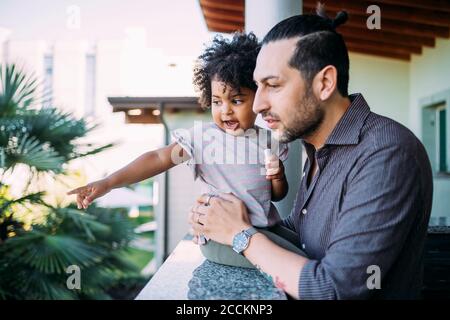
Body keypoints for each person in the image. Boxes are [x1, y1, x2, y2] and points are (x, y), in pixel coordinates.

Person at [189, 7, 433, 300]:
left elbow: (334, 289)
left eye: (273, 85)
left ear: (325, 83)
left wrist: (239, 234)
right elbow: (305, 236)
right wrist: (220, 218)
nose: (257, 105)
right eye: (257, 86)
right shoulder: (318, 149)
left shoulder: (387, 154)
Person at [67, 32, 305, 269]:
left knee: (304, 245)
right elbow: (158, 158)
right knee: (301, 263)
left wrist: (278, 177)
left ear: (258, 96)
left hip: (262, 230)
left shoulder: (268, 141)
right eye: (217, 101)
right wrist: (109, 183)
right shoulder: (203, 139)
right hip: (221, 239)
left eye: (237, 100)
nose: (226, 111)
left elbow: (276, 195)